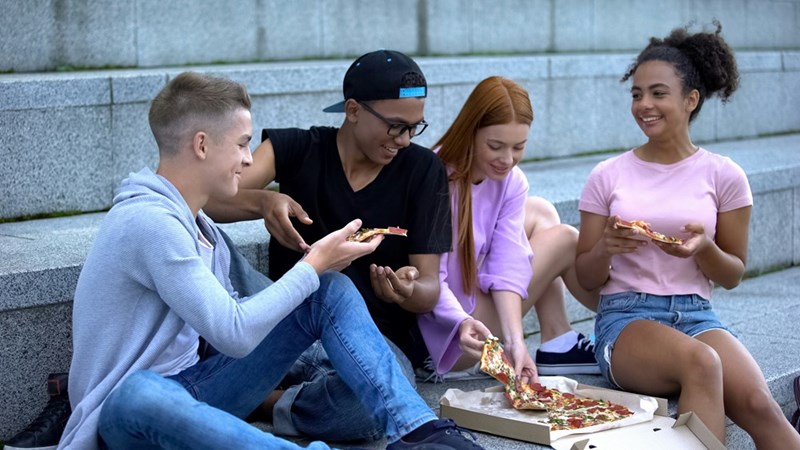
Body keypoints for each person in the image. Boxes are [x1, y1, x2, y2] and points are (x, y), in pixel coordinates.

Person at [58, 71, 484, 450]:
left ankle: (415, 431)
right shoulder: (150, 223)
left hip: (197, 388)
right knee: (139, 392)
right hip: (129, 414)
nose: (248, 159)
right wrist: (313, 264)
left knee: (329, 291)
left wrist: (318, 273)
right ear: (202, 145)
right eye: (243, 144)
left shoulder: (198, 223)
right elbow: (234, 334)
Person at [204, 49, 453, 442]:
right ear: (353, 111)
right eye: (394, 126)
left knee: (377, 402)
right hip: (284, 325)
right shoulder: (296, 148)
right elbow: (205, 199)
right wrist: (263, 201)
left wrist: (407, 290)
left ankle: (267, 400)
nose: (404, 140)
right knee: (208, 241)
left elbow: (429, 290)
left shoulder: (423, 171)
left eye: (413, 127)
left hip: (370, 342)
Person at [574, 22, 800, 448]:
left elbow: (732, 274)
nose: (644, 104)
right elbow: (586, 277)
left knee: (757, 401)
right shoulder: (607, 175)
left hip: (698, 315)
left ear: (691, 99)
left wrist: (704, 249)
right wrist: (606, 246)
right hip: (625, 319)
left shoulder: (724, 175)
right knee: (702, 362)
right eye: (637, 94)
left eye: (658, 93)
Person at [416, 76, 599, 384]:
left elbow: (507, 262)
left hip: (473, 308)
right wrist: (462, 322)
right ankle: (626, 315)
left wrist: (516, 342)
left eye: (519, 147)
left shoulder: (511, 179)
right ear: (470, 132)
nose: (507, 159)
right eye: (495, 146)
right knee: (565, 239)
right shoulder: (436, 177)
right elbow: (433, 280)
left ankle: (558, 338)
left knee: (541, 211)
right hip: (453, 335)